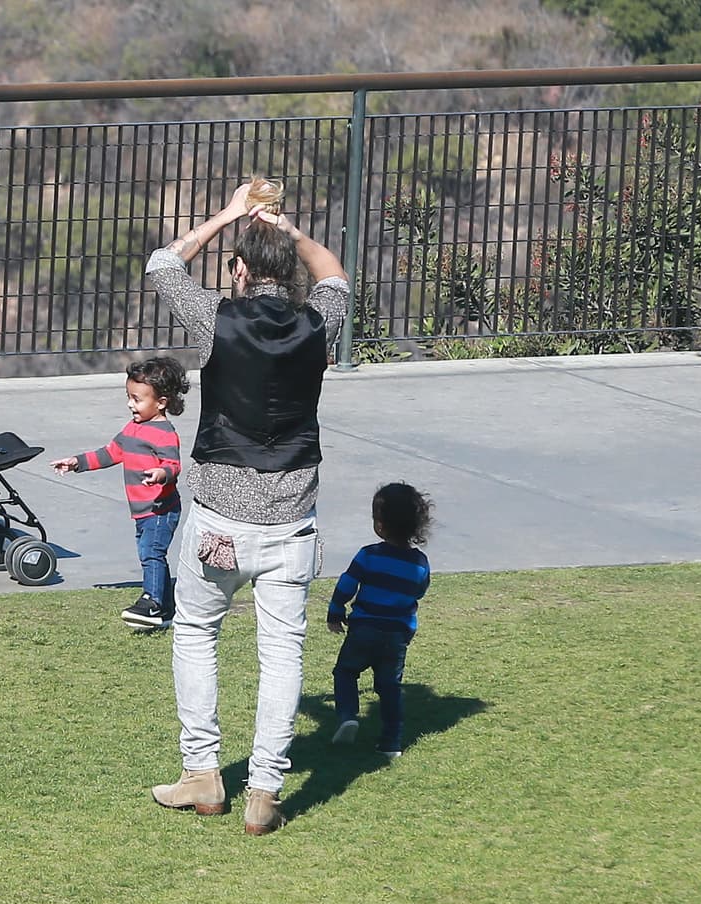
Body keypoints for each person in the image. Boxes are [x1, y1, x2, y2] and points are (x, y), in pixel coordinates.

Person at [145, 177, 349, 836]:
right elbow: (335, 273)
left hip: (220, 516)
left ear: (237, 271)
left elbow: (163, 265)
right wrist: (286, 232)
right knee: (282, 654)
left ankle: (203, 773)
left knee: (198, 633)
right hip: (292, 515)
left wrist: (229, 213)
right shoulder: (318, 320)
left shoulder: (216, 316)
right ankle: (265, 787)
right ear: (287, 272)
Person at [49, 357, 190, 630]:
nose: (130, 404)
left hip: (160, 509)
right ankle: (167, 608)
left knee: (152, 553)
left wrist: (161, 473)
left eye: (137, 399)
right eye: (129, 397)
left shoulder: (164, 434)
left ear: (161, 402)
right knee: (151, 554)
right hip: (142, 509)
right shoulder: (132, 429)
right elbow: (111, 453)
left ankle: (152, 601)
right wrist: (77, 462)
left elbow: (173, 465)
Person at [328, 482, 433, 759]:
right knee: (389, 687)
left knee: (346, 672)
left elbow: (347, 584)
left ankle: (348, 715)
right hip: (397, 636)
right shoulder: (420, 563)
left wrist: (336, 610)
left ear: (381, 525)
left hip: (364, 628)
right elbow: (420, 590)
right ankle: (391, 743)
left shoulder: (369, 555)